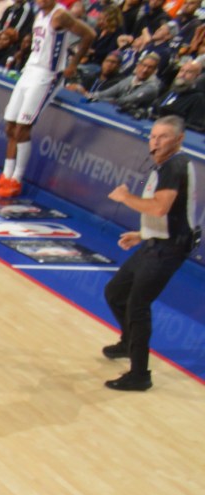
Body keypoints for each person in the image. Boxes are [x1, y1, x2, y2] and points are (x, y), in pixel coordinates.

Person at [100, 115, 196, 392]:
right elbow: (171, 212)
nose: (155, 142)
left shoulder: (175, 165)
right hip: (157, 242)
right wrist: (143, 234)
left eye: (163, 137)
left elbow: (159, 208)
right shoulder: (165, 164)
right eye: (153, 136)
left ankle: (140, 374)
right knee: (116, 292)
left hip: (169, 248)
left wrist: (124, 198)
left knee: (137, 305)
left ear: (179, 139)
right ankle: (129, 343)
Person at [0, 2, 93, 197]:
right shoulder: (39, 14)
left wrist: (73, 63)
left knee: (23, 127)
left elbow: (89, 34)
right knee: (10, 125)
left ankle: (16, 180)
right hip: (29, 70)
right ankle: (6, 175)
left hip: (47, 75)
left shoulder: (60, 16)